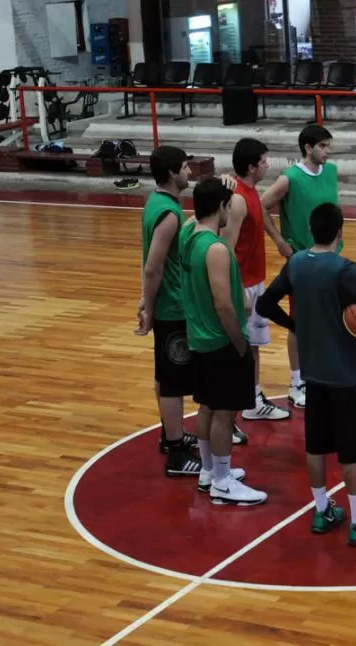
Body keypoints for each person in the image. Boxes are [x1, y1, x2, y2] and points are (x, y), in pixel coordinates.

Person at [256, 203, 356, 546]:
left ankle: (323, 509)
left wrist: (296, 325)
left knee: (316, 445)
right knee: (352, 450)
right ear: (340, 231)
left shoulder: (296, 263)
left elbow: (264, 305)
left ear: (312, 230)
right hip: (348, 376)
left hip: (313, 374)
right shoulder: (345, 270)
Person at [181, 177, 266, 506]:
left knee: (207, 406)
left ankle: (207, 471)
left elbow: (195, 215)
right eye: (228, 204)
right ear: (220, 207)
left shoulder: (189, 236)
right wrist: (240, 344)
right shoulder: (215, 249)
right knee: (224, 414)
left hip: (198, 338)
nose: (232, 209)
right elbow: (224, 305)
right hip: (221, 340)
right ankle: (222, 481)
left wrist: (216, 186)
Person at [261, 125, 341, 409]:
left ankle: (322, 373)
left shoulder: (331, 172)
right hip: (303, 262)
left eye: (328, 146)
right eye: (322, 146)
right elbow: (261, 206)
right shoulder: (289, 178)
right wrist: (280, 241)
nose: (327, 152)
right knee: (300, 322)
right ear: (307, 148)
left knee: (329, 318)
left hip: (332, 260)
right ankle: (297, 383)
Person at [136, 145, 201, 476]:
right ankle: (176, 454)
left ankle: (169, 434)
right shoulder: (170, 214)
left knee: (165, 374)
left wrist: (146, 299)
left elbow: (148, 261)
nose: (190, 172)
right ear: (174, 173)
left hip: (165, 303)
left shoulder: (156, 203)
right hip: (172, 306)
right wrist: (148, 304)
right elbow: (153, 267)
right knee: (173, 381)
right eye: (186, 168)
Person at [223, 137, 290, 425]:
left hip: (254, 280)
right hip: (244, 284)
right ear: (252, 167)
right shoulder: (237, 199)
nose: (267, 165)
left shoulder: (250, 191)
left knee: (253, 347)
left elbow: (260, 213)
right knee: (239, 348)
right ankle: (232, 412)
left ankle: (252, 399)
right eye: (263, 162)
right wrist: (237, 288)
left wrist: (277, 239)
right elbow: (225, 247)